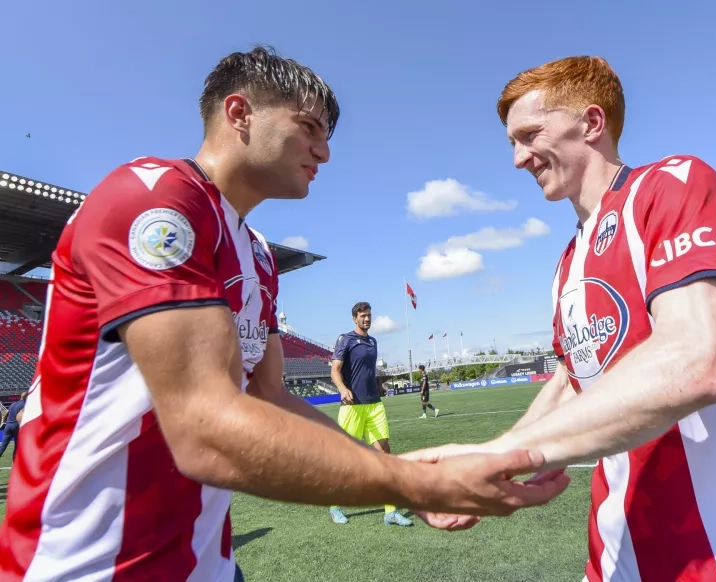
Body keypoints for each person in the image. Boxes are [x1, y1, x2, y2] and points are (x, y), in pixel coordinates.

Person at [0, 47, 571, 581]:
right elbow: (204, 428)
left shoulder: (259, 255)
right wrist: (418, 484)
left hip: (204, 561)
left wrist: (414, 483)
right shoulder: (153, 199)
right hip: (87, 562)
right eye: (310, 126)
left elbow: (270, 394)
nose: (324, 151)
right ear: (239, 112)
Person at [405, 56, 716, 581]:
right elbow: (575, 381)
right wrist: (489, 466)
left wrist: (501, 454)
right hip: (615, 558)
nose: (518, 158)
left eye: (530, 134)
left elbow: (698, 359)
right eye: (512, 143)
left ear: (592, 123)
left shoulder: (673, 185)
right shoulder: (568, 262)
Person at [328, 302, 412, 527]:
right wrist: (343, 389)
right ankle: (334, 505)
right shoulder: (345, 340)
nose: (367, 319)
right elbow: (335, 370)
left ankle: (390, 511)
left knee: (385, 453)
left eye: (369, 316)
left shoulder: (373, 341)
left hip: (375, 404)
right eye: (363, 316)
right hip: (352, 406)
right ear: (355, 318)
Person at [0, 391, 26, 463]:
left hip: (8, 425)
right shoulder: (24, 404)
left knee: (3, 445)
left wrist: (4, 421)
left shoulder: (13, 404)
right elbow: (21, 416)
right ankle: (15, 462)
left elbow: (7, 412)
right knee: (17, 445)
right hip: (16, 425)